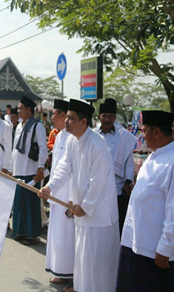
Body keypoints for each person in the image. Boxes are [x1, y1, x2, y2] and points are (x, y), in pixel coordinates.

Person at [39, 99, 119, 292]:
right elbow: (63, 169)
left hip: (99, 217)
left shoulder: (97, 145)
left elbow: (98, 182)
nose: (66, 122)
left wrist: (85, 206)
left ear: (84, 122)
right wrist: (50, 187)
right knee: (83, 265)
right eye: (66, 117)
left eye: (71, 118)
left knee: (98, 267)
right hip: (82, 214)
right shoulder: (73, 141)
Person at [116, 110, 174, 292]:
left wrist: (165, 247)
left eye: (144, 131)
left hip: (158, 252)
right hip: (138, 244)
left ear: (157, 132)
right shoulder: (153, 157)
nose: (142, 136)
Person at [42, 99, 75, 289]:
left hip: (66, 197)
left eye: (54, 113)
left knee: (67, 236)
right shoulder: (59, 135)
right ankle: (59, 271)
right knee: (56, 235)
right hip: (55, 193)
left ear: (63, 116)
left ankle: (70, 275)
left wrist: (71, 198)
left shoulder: (72, 137)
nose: (51, 117)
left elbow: (71, 171)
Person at [93, 100, 137, 235]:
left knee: (117, 225)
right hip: (97, 187)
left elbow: (129, 161)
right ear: (99, 116)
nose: (107, 119)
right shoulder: (93, 135)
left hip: (117, 188)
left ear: (115, 116)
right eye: (104, 116)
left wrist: (128, 182)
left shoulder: (124, 136)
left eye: (110, 116)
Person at [9, 95, 48, 245]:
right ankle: (19, 231)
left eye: (20, 109)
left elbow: (43, 148)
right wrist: (12, 168)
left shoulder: (37, 125)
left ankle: (31, 234)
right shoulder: (19, 126)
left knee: (30, 203)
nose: (18, 111)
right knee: (19, 202)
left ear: (28, 109)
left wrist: (40, 167)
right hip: (19, 170)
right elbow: (15, 149)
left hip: (31, 171)